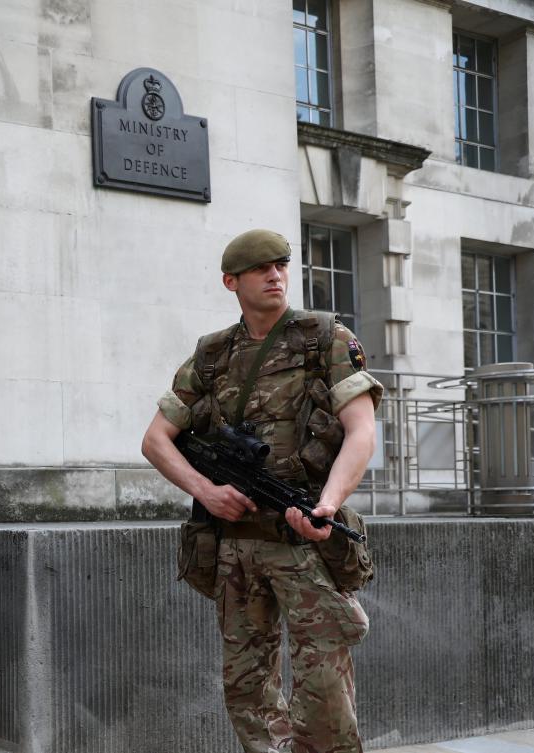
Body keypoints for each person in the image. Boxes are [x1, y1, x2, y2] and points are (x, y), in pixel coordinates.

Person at [141, 228, 382, 753]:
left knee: (322, 686)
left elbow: (361, 431)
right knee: (246, 685)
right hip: (235, 544)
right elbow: (156, 441)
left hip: (303, 539)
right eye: (259, 268)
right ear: (231, 282)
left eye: (280, 265)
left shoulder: (326, 339)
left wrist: (328, 504)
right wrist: (207, 492)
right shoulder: (212, 355)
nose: (275, 275)